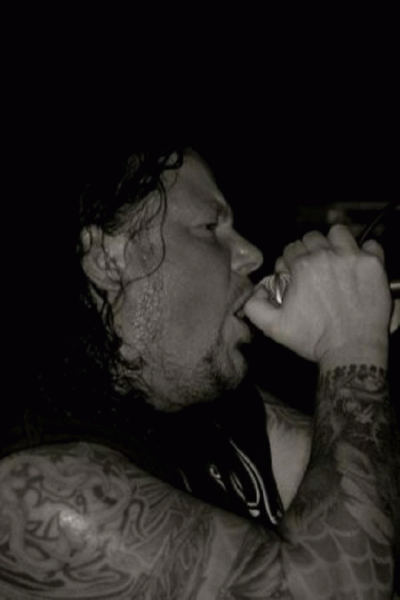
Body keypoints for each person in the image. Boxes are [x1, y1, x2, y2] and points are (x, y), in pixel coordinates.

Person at [0, 145, 398, 598]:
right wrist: (352, 347)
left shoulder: (211, 406)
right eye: (210, 227)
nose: (251, 254)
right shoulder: (35, 486)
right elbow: (342, 591)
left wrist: (355, 325)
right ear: (109, 260)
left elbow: (374, 502)